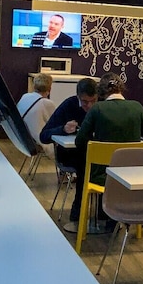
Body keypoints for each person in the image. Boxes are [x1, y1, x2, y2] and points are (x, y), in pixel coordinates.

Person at [75, 72, 143, 226]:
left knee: (85, 169)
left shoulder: (97, 109)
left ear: (101, 92)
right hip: (131, 174)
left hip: (103, 175)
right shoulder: (137, 107)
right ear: (121, 89)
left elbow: (80, 141)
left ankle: (95, 215)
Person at [40, 77, 98, 220]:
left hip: (93, 153)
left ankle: (104, 213)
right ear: (78, 96)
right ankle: (78, 211)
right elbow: (44, 136)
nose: (89, 106)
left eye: (93, 101)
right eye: (85, 102)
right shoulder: (69, 105)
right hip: (69, 154)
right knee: (86, 164)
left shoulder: (101, 105)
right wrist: (63, 129)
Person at [16, 73, 56, 156]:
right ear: (50, 89)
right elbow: (56, 123)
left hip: (24, 140)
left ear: (34, 86)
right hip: (39, 142)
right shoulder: (47, 103)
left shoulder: (25, 96)